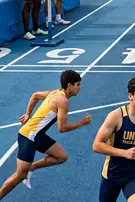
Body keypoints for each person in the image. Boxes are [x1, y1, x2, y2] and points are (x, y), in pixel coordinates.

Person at [0, 70, 91, 199]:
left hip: (38, 135)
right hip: (29, 137)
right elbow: (62, 128)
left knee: (61, 156)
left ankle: (32, 167)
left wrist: (27, 115)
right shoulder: (63, 101)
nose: (79, 88)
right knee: (20, 175)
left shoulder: (56, 92)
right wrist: (81, 123)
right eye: (78, 84)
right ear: (70, 85)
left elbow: (35, 95)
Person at [93, 76, 135, 202]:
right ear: (130, 96)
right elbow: (96, 145)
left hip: (134, 175)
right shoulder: (116, 117)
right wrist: (124, 153)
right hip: (112, 174)